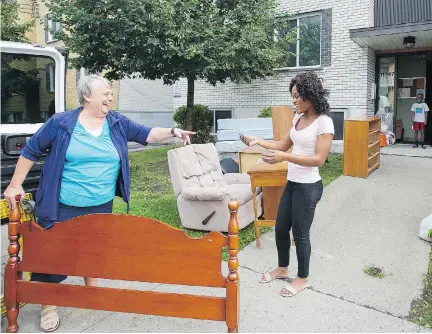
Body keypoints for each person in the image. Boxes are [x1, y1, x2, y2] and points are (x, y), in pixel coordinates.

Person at [3, 75, 194, 332]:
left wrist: (173, 131)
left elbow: (147, 134)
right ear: (87, 96)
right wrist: (15, 184)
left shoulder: (116, 123)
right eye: (105, 92)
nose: (110, 97)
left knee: (94, 248)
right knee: (53, 255)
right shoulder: (61, 123)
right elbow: (31, 151)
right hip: (63, 204)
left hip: (101, 203)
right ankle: (48, 304)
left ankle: (92, 292)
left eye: (110, 92)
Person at [241, 72, 334, 297]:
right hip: (292, 183)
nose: (293, 100)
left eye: (297, 96)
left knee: (300, 234)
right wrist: (258, 141)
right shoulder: (297, 119)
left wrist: (285, 158)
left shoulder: (324, 122)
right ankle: (283, 268)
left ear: (309, 95)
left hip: (309, 186)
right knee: (281, 228)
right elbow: (282, 145)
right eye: (292, 96)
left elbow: (319, 159)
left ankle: (302, 278)